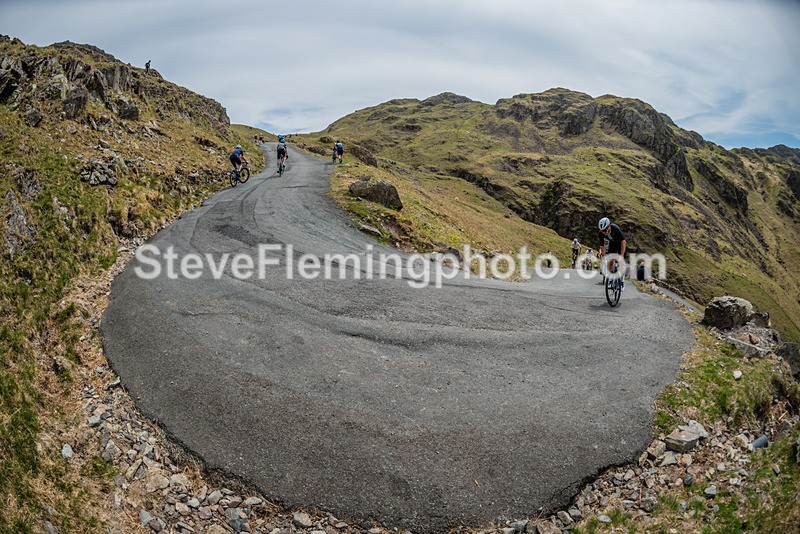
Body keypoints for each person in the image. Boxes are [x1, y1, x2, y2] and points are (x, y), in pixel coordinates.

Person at [598, 216, 627, 289]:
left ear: (609, 227)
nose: (604, 232)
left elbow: (623, 242)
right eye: (602, 231)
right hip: (612, 244)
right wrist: (604, 256)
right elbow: (602, 246)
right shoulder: (601, 233)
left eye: (605, 230)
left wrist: (622, 255)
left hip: (620, 244)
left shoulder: (615, 229)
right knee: (610, 260)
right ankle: (610, 280)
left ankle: (622, 282)